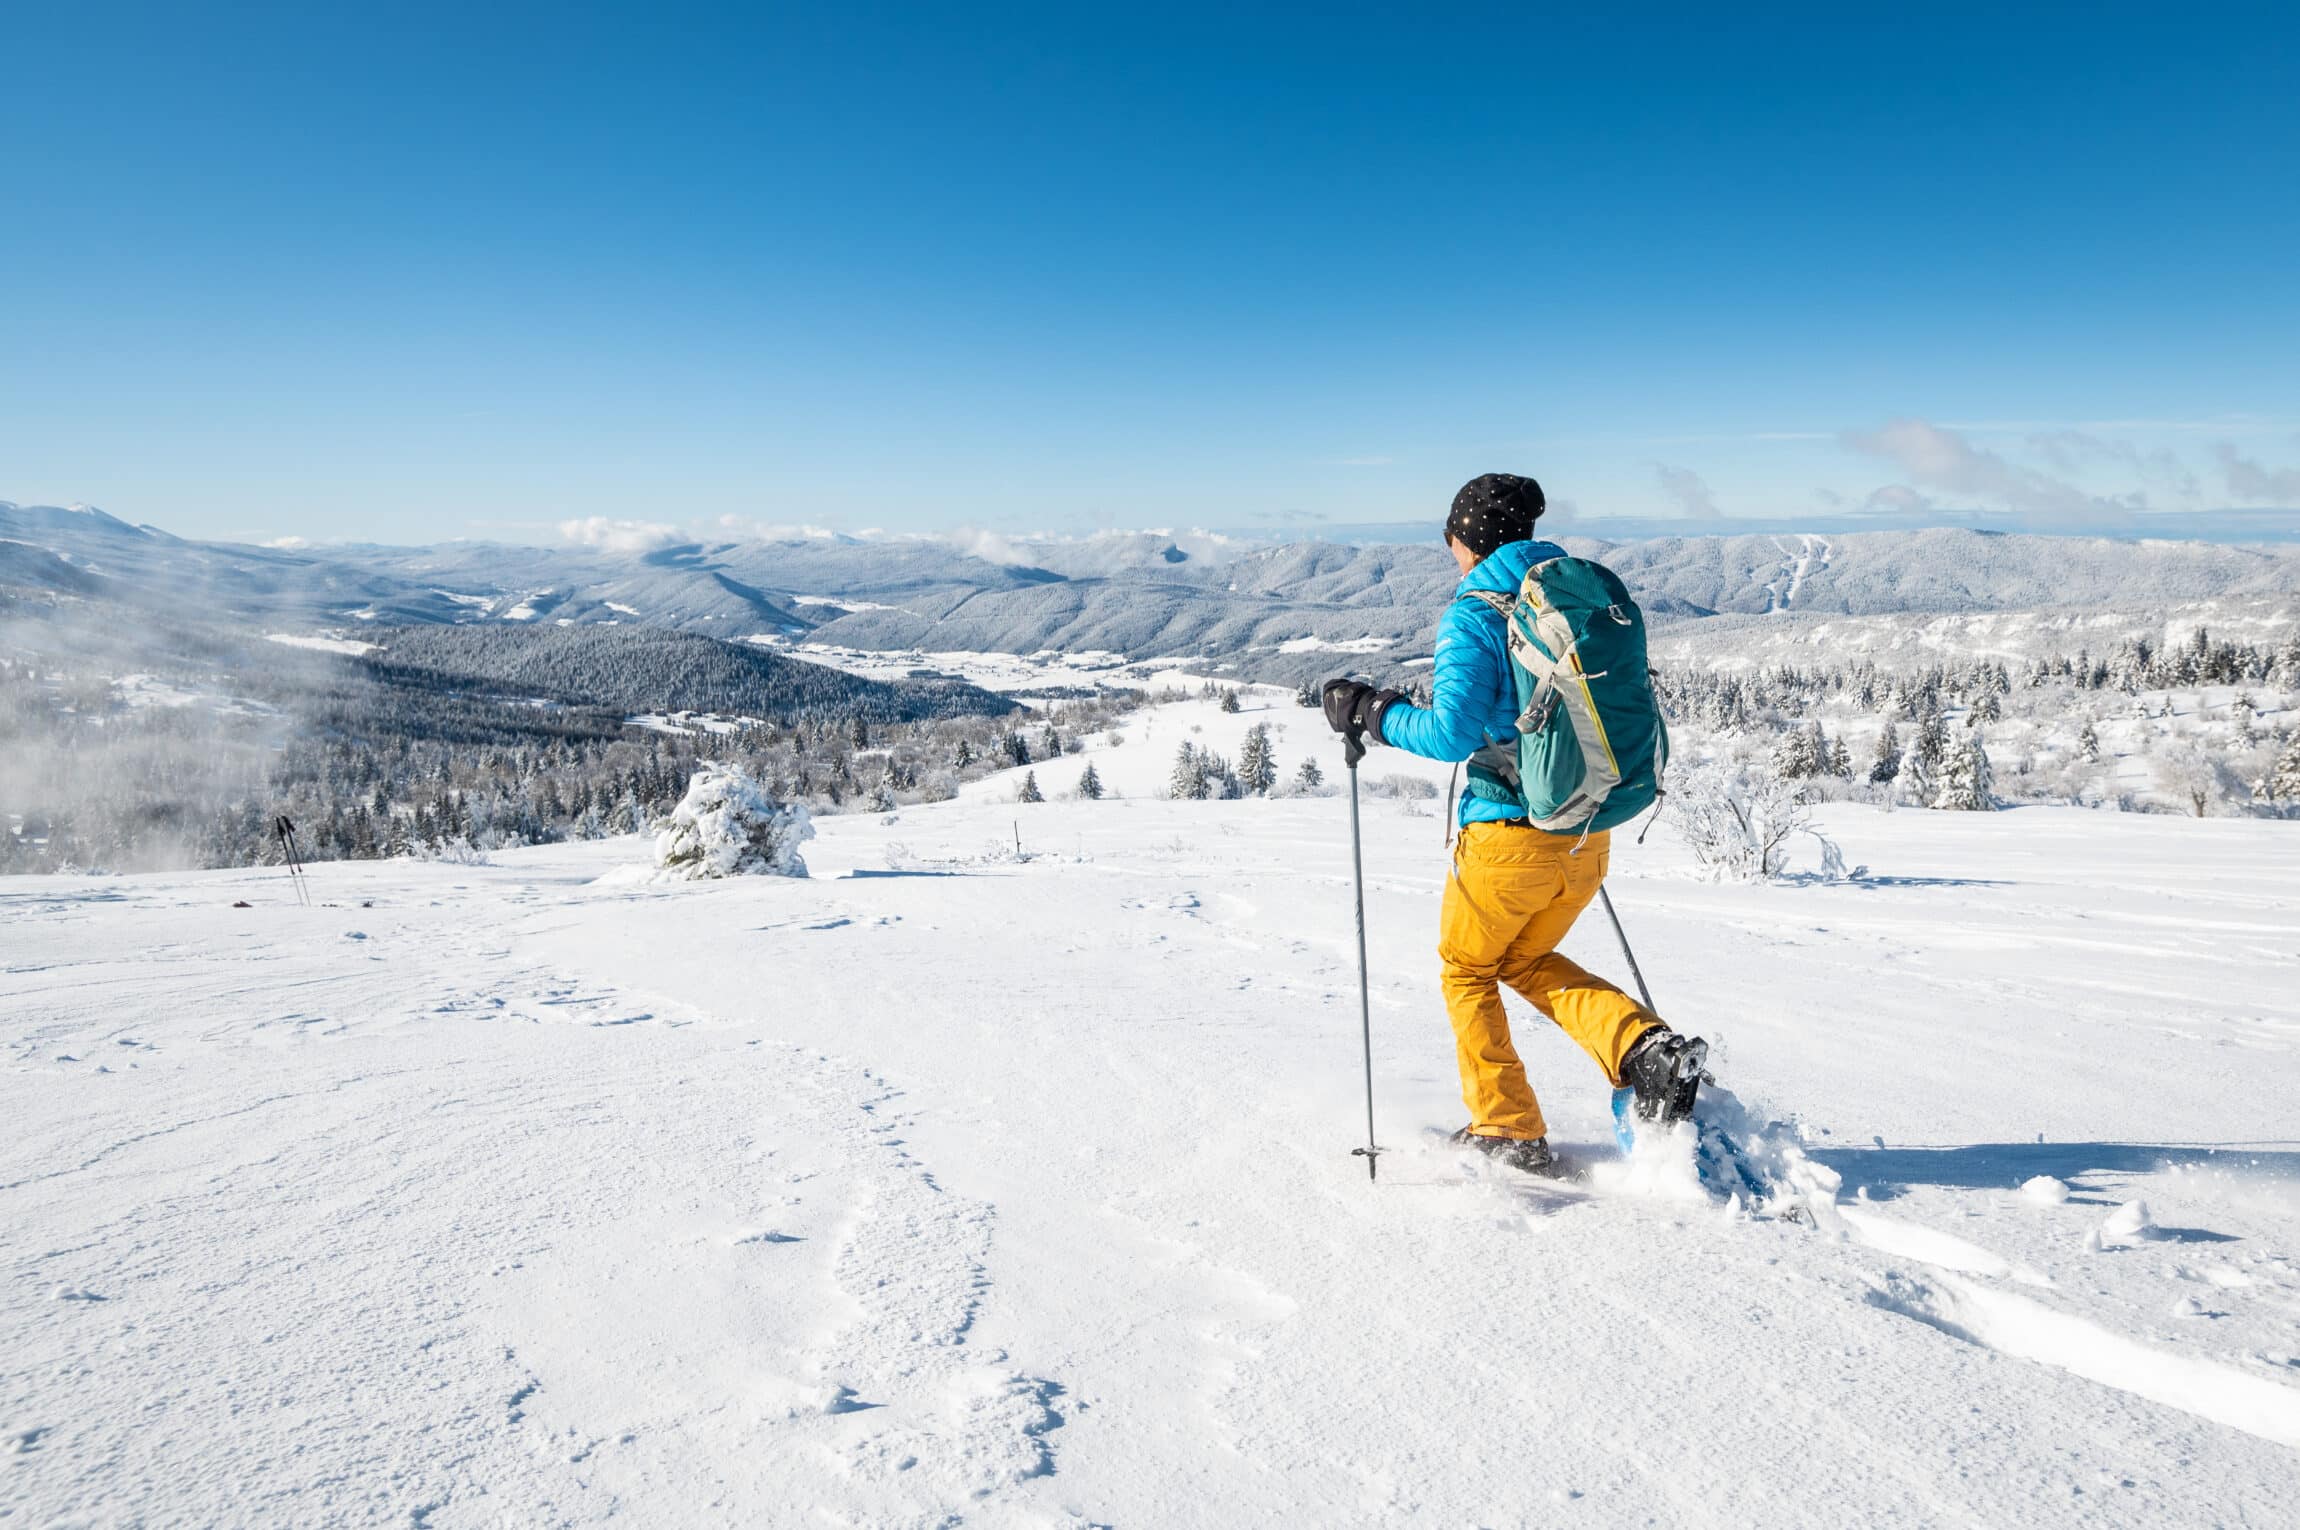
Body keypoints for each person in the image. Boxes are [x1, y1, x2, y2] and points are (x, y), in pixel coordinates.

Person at [1322, 473, 1705, 1176]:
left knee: (1467, 970)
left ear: (1465, 540)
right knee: (1524, 960)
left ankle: (1507, 1128)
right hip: (1586, 834)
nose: (1452, 556)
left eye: (1452, 544)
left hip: (1508, 838)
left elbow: (1451, 731)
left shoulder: (1475, 613)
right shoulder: (1574, 598)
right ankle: (1643, 1051)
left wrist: (1373, 715)